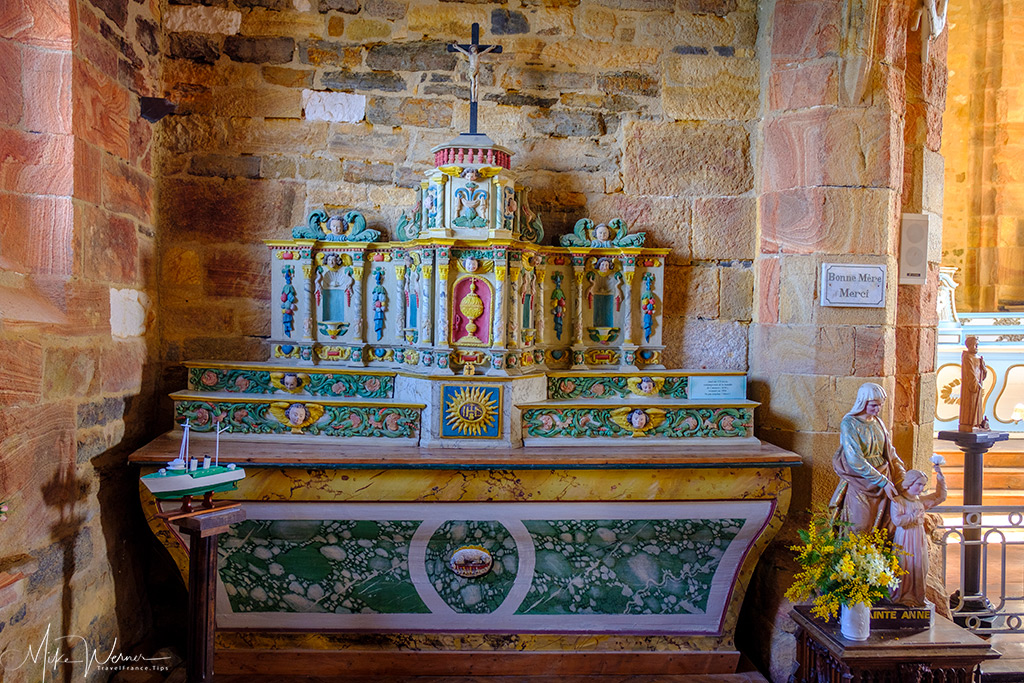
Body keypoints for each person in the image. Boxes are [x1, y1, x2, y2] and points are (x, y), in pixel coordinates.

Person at [830, 382, 907, 535]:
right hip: (861, 480)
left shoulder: (878, 422)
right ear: (862, 402)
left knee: (883, 526)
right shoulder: (849, 423)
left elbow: (890, 452)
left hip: (884, 477)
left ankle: (877, 559)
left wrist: (903, 477)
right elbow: (855, 459)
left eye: (880, 405)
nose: (877, 409)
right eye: (873, 405)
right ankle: (853, 559)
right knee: (860, 524)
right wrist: (883, 481)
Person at [890, 460, 947, 606]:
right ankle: (902, 596)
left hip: (918, 536)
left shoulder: (920, 501)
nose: (921, 488)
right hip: (905, 537)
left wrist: (940, 477)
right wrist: (914, 516)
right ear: (909, 483)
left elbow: (940, 497)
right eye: (918, 484)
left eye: (923, 485)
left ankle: (917, 596)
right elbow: (897, 521)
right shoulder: (898, 501)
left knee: (920, 566)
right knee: (904, 564)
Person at [959, 335, 987, 432]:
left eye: (977, 345)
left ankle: (977, 423)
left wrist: (983, 368)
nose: (976, 348)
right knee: (970, 406)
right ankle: (970, 423)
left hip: (978, 385)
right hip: (971, 387)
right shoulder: (967, 357)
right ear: (969, 346)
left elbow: (982, 373)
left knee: (978, 406)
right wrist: (975, 383)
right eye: (975, 345)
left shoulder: (979, 358)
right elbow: (970, 372)